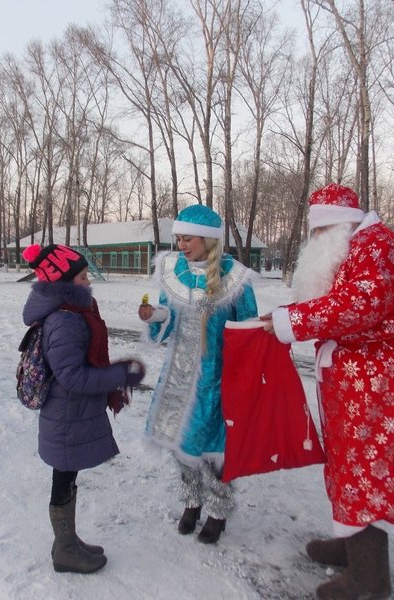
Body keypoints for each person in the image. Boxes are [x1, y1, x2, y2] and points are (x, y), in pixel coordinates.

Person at [262, 183, 394, 599]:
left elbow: (356, 306)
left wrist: (287, 320)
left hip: (374, 377)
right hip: (354, 373)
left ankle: (370, 578)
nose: (315, 242)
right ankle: (353, 545)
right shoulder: (359, 245)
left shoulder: (380, 249)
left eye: (318, 233)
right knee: (349, 462)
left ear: (336, 227)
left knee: (367, 466)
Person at [22, 243, 145, 574]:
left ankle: (68, 540)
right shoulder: (64, 320)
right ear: (61, 283)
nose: (88, 281)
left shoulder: (72, 310)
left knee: (67, 477)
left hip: (70, 414)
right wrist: (118, 375)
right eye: (82, 276)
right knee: (63, 479)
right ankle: (64, 549)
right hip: (66, 416)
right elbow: (73, 377)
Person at [138, 204, 258, 544]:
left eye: (187, 238)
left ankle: (218, 511)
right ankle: (191, 502)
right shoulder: (174, 271)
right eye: (178, 239)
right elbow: (169, 317)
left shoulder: (235, 277)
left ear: (208, 239)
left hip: (217, 377)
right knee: (182, 443)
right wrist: (155, 316)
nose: (181, 245)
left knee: (215, 448)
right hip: (178, 374)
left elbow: (250, 326)